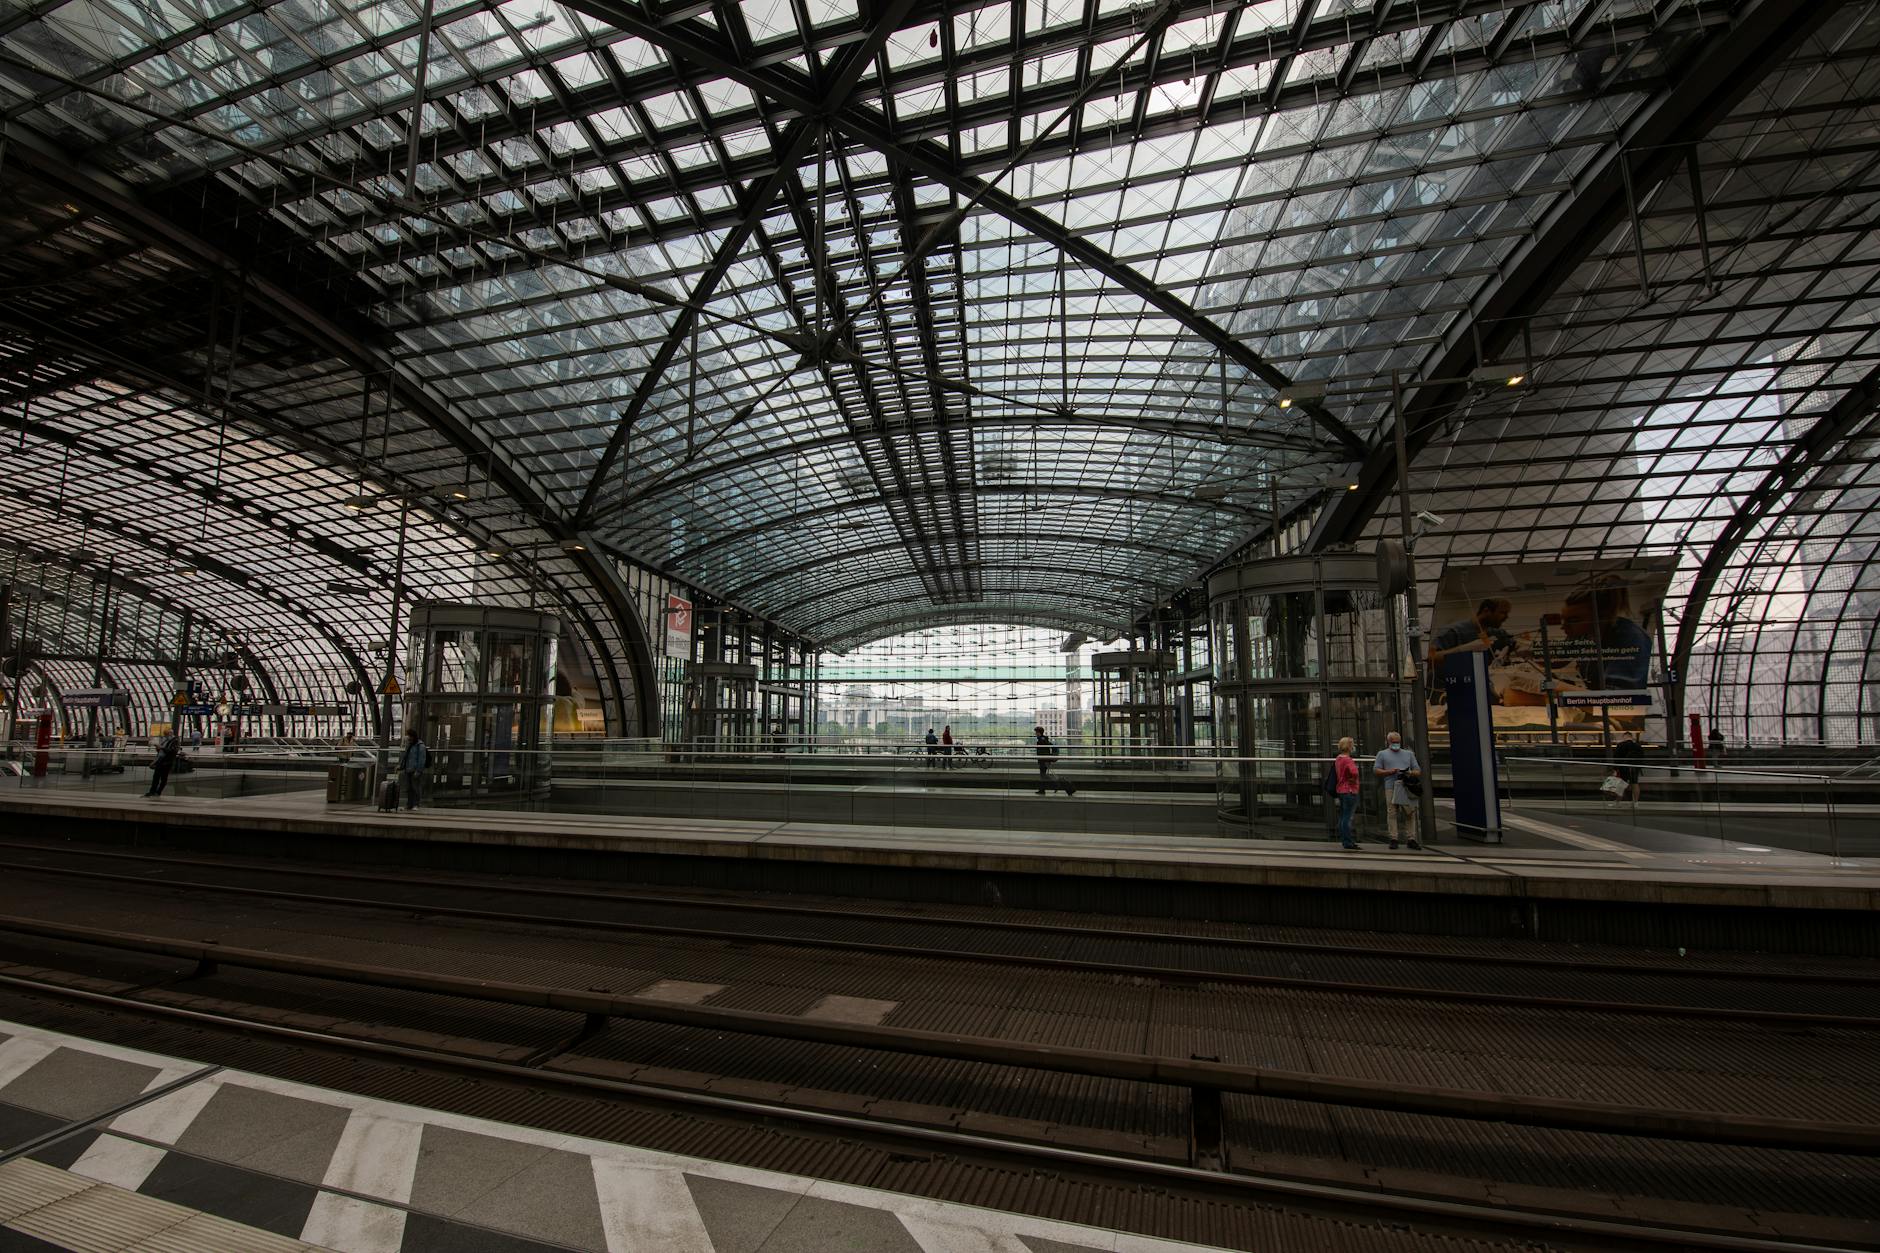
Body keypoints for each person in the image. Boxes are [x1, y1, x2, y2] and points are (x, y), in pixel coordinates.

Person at [1560, 578, 1652, 691]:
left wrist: (1558, 688)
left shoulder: (1631, 640)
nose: (1563, 627)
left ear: (1602, 617)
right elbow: (1559, 658)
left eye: (1574, 620)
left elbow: (1620, 698)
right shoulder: (1585, 633)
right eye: (1564, 620)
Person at [1428, 598, 1514, 670]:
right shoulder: (1453, 631)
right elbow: (1431, 658)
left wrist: (1522, 647)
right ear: (1486, 611)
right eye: (1503, 613)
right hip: (1448, 686)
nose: (1506, 617)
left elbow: (1513, 644)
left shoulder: (1495, 632)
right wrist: (1461, 650)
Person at [1372, 730, 1422, 850]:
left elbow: (1418, 770)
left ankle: (1411, 838)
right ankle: (1393, 838)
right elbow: (1376, 770)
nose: (1396, 744)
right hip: (1391, 785)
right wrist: (1389, 771)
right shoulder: (1382, 754)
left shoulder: (1409, 754)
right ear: (1388, 742)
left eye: (1398, 742)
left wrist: (1409, 772)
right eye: (1394, 742)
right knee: (1392, 812)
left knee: (1410, 812)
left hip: (1406, 786)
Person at [1333, 735, 1361, 850]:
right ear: (1349, 747)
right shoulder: (1348, 760)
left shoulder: (1338, 759)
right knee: (1347, 817)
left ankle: (1345, 840)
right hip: (1350, 790)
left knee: (1343, 816)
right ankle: (1348, 841)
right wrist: (1353, 780)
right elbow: (1354, 772)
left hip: (1341, 790)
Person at [1033, 726, 1076, 796]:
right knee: (1043, 775)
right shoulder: (1043, 739)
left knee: (1043, 775)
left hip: (1044, 760)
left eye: (1036, 732)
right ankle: (1043, 789)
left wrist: (1045, 759)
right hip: (1044, 760)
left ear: (1039, 732)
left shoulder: (1042, 740)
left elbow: (1043, 751)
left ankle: (1055, 785)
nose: (1035, 733)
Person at [145, 730, 181, 798]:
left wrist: (162, 747)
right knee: (156, 777)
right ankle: (152, 791)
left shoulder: (175, 741)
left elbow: (173, 751)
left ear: (170, 734)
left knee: (163, 778)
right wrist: (158, 748)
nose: (165, 736)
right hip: (160, 760)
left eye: (166, 735)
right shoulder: (165, 740)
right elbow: (161, 751)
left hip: (167, 762)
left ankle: (158, 792)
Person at [400, 726, 429, 811]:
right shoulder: (409, 745)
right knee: (409, 788)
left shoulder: (420, 745)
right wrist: (401, 766)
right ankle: (409, 804)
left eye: (409, 735)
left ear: (413, 736)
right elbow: (405, 757)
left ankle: (416, 804)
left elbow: (421, 759)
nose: (407, 737)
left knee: (415, 787)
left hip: (415, 769)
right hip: (408, 769)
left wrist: (419, 770)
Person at [1610, 732, 1643, 801]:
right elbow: (1642, 758)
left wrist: (1615, 769)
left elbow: (1616, 757)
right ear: (1631, 737)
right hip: (1634, 768)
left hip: (1623, 767)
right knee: (1635, 784)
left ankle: (1618, 801)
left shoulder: (1620, 745)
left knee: (1621, 784)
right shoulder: (1638, 746)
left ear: (1624, 737)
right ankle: (1635, 802)